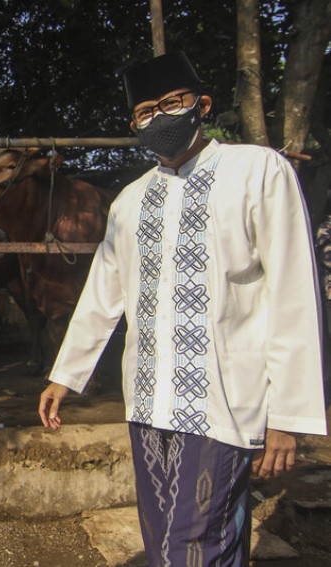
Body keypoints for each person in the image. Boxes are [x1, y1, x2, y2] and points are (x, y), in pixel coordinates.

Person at [38, 51, 327, 566]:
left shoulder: (257, 171)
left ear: (202, 105)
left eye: (171, 103)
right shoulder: (130, 201)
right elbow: (104, 293)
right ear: (134, 125)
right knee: (173, 536)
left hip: (224, 400)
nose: (159, 118)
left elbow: (293, 294)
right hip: (149, 400)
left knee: (188, 545)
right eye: (146, 111)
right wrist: (66, 375)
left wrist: (288, 414)